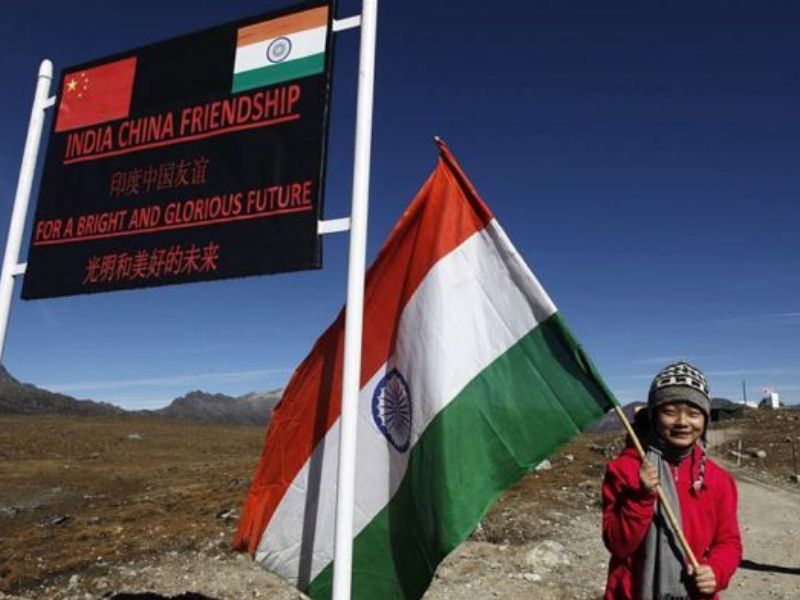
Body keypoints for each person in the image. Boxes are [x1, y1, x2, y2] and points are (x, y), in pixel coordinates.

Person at [602, 361, 742, 599]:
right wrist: (641, 496)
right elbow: (618, 544)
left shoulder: (718, 480)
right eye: (669, 411)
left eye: (694, 413)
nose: (682, 422)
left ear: (705, 420)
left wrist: (717, 571)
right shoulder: (625, 470)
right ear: (654, 415)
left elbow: (729, 542)